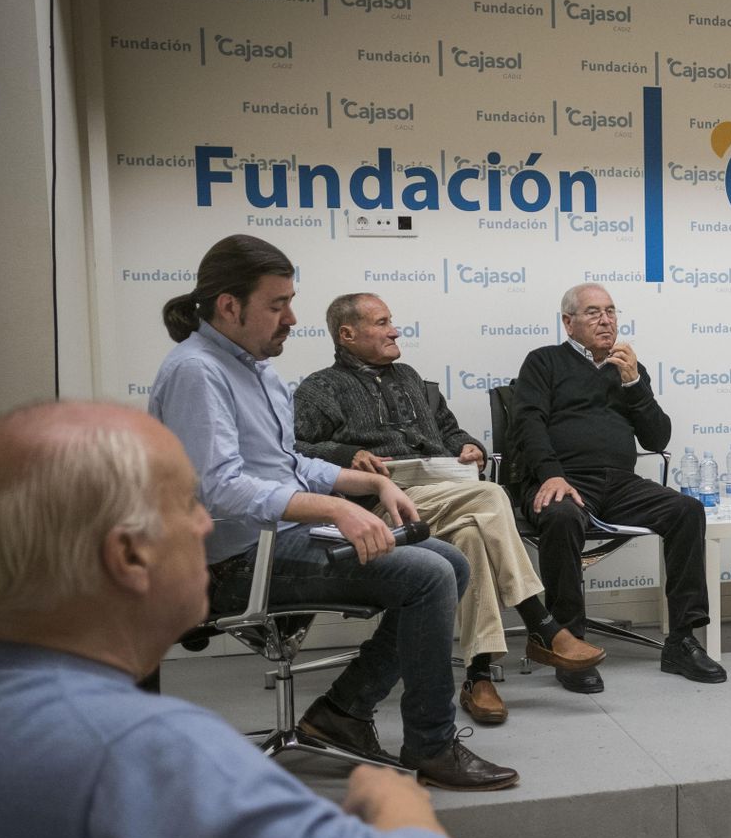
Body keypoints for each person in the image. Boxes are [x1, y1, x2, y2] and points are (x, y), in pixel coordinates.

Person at [0, 401, 467, 838]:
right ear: (130, 554)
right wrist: (402, 813)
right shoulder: (145, 753)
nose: (206, 525)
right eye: (187, 506)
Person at [149, 234, 513, 789]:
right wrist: (337, 511)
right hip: (237, 560)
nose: (292, 318)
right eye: (277, 305)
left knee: (450, 563)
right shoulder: (198, 371)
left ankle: (342, 713)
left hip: (280, 538)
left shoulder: (256, 370)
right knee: (431, 574)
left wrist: (364, 482)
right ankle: (431, 747)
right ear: (228, 304)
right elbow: (220, 489)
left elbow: (286, 464)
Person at [293, 293, 604, 726]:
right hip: (381, 506)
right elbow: (297, 451)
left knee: (472, 536)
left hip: (444, 493)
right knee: (492, 496)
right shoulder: (319, 389)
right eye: (382, 323)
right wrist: (347, 453)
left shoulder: (410, 378)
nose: (394, 330)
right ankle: (542, 624)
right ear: (348, 334)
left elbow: (448, 430)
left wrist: (467, 446)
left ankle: (478, 675)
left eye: (392, 320)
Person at [511, 281, 725, 691]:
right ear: (568, 322)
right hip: (561, 479)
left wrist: (634, 385)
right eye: (594, 312)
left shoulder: (628, 368)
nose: (606, 320)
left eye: (611, 311)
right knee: (560, 515)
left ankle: (681, 640)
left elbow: (657, 439)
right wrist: (551, 474)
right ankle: (569, 644)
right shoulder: (543, 362)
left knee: (686, 510)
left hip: (619, 483)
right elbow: (527, 423)